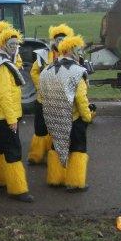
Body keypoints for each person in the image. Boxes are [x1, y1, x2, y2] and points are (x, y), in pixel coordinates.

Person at [0, 28, 33, 202]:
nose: (14, 47)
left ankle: (0, 180)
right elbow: (3, 95)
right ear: (2, 44)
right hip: (6, 116)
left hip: (0, 115)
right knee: (13, 150)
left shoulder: (0, 61)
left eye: (16, 44)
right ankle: (18, 189)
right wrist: (12, 120)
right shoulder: (2, 66)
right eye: (11, 44)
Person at [40, 35, 94, 191]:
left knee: (56, 145)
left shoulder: (47, 69)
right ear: (71, 51)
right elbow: (81, 99)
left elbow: (42, 94)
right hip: (73, 118)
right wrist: (87, 116)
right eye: (78, 50)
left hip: (54, 117)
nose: (80, 53)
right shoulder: (78, 71)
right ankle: (75, 183)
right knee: (78, 148)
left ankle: (55, 178)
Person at [27, 24, 75, 165]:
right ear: (53, 41)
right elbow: (34, 72)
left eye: (63, 40)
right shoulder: (43, 55)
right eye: (57, 39)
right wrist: (42, 86)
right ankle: (36, 154)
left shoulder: (71, 56)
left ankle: (56, 157)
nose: (60, 42)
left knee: (58, 129)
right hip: (43, 99)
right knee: (40, 128)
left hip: (61, 101)